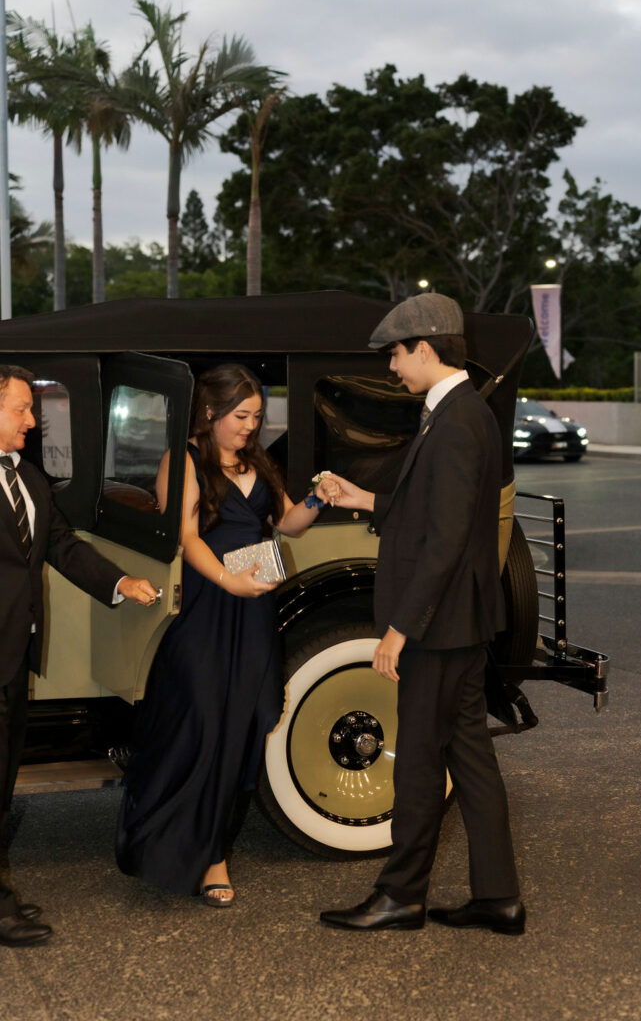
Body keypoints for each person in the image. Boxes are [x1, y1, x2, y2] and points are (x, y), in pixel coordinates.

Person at [319, 293, 524, 934]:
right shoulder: (461, 411)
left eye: (397, 354)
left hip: (438, 626)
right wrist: (366, 499)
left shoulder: (456, 419)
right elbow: (433, 511)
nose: (391, 368)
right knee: (471, 761)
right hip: (460, 621)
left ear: (426, 349)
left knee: (416, 763)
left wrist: (399, 629)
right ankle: (498, 897)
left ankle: (400, 896)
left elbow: (445, 540)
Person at [116, 364, 336, 907]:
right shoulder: (183, 459)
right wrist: (228, 581)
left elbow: (286, 523)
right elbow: (187, 537)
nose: (250, 426)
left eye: (257, 416)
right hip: (206, 604)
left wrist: (318, 497)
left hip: (252, 609)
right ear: (211, 411)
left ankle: (213, 847)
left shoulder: (257, 461)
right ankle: (183, 849)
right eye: (241, 416)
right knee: (201, 723)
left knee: (246, 722)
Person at [0, 364, 158, 948]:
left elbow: (62, 546)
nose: (31, 420)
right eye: (20, 409)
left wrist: (121, 583)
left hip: (15, 655)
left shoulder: (28, 477)